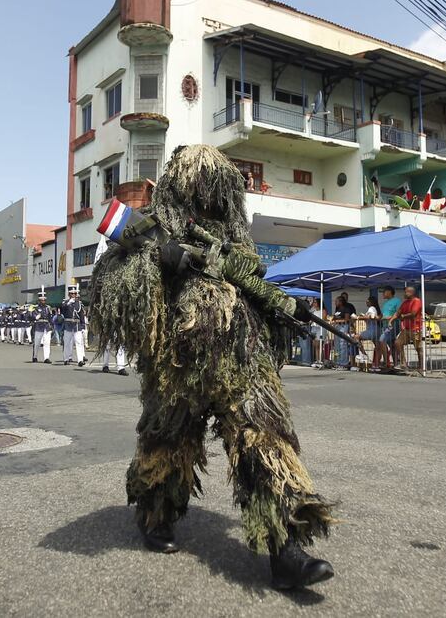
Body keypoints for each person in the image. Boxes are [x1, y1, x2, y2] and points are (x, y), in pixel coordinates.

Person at [90, 145, 335, 589]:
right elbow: (108, 282)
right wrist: (156, 261)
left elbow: (253, 282)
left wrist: (287, 309)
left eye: (217, 189)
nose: (209, 197)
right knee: (167, 443)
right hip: (177, 364)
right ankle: (156, 517)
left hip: (242, 359)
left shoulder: (233, 241)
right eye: (200, 188)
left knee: (267, 442)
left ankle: (286, 550)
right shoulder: (155, 225)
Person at [393, 286, 423, 371]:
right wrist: (394, 318)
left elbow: (413, 313)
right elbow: (398, 312)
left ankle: (421, 366)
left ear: (411, 292)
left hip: (416, 328)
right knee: (397, 343)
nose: (405, 294)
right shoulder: (405, 302)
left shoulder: (416, 301)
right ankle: (403, 363)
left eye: (406, 292)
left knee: (418, 347)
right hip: (406, 328)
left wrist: (403, 316)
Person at [61, 284, 86, 366]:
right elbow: (62, 311)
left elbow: (81, 315)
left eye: (75, 294)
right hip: (68, 324)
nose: (73, 295)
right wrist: (68, 303)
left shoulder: (79, 303)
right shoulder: (65, 302)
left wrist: (83, 326)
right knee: (67, 342)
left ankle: (80, 360)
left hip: (77, 325)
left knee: (79, 342)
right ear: (69, 294)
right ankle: (66, 359)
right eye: (72, 293)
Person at [378, 286, 402, 368]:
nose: (382, 294)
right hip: (385, 326)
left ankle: (386, 362)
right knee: (391, 344)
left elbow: (398, 313)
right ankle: (396, 363)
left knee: (382, 340)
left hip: (392, 326)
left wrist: (389, 318)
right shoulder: (385, 303)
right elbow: (383, 314)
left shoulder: (397, 301)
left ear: (389, 292)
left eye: (384, 292)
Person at [358, 296, 382, 365]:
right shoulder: (376, 309)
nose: (366, 302)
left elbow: (371, 316)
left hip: (371, 330)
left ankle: (364, 354)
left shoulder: (371, 308)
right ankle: (377, 363)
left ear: (371, 302)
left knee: (356, 337)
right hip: (377, 329)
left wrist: (359, 317)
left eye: (367, 301)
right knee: (377, 347)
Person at [331, 295, 353, 368]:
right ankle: (337, 361)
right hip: (337, 327)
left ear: (341, 302)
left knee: (343, 344)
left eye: (336, 301)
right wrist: (335, 320)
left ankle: (344, 362)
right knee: (337, 345)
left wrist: (338, 320)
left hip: (343, 327)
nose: (335, 302)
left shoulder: (346, 309)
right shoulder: (337, 309)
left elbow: (346, 319)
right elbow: (334, 318)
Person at [31, 291, 53, 363]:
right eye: (42, 300)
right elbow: (32, 315)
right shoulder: (36, 308)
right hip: (39, 326)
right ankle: (35, 356)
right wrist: (35, 316)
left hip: (46, 326)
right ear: (39, 300)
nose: (43, 301)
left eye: (44, 300)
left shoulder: (48, 308)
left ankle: (46, 357)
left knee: (47, 343)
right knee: (37, 343)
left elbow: (50, 318)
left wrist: (51, 326)